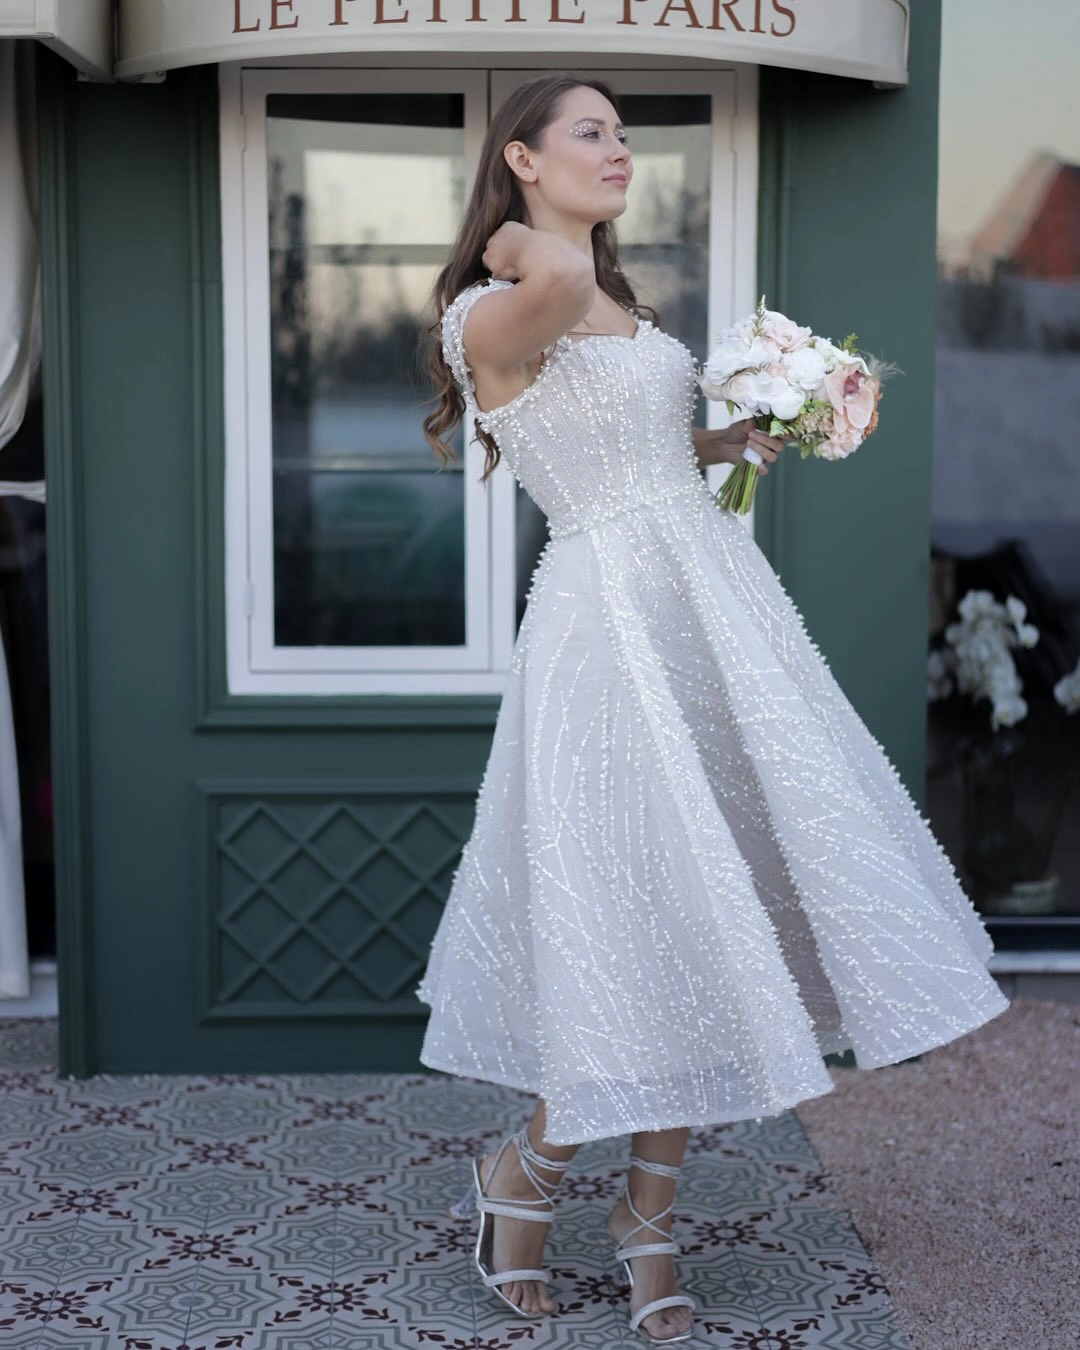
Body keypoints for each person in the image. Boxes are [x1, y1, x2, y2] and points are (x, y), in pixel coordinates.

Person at [414, 72, 1008, 1344]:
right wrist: (514, 240)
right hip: (606, 628)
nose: (621, 151)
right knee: (636, 903)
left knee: (711, 900)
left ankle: (649, 1212)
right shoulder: (497, 304)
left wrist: (728, 441)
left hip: (710, 607)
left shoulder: (609, 299)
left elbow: (630, 435)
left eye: (626, 135)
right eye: (592, 134)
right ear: (520, 159)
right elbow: (554, 305)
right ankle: (527, 1169)